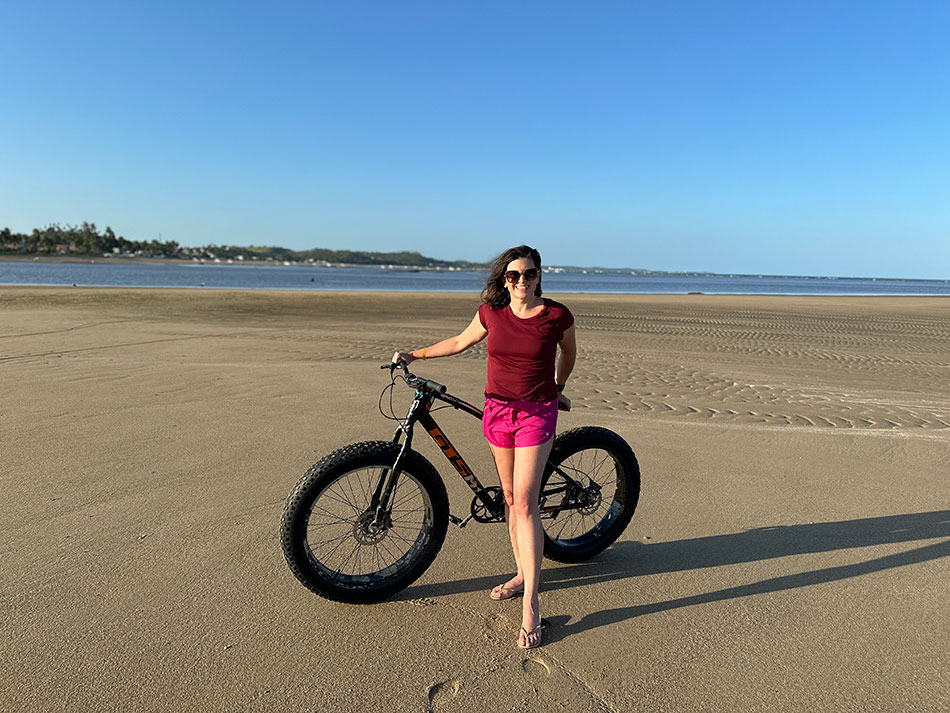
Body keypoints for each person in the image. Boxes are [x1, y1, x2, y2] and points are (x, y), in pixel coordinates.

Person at [392, 245, 576, 649]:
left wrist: (558, 389)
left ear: (539, 275)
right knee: (509, 497)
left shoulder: (556, 315)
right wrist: (414, 354)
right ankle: (522, 572)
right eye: (514, 276)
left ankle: (531, 600)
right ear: (504, 279)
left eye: (529, 274)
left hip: (535, 413)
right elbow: (460, 342)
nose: (522, 282)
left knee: (526, 502)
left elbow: (569, 354)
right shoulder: (491, 314)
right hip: (497, 411)